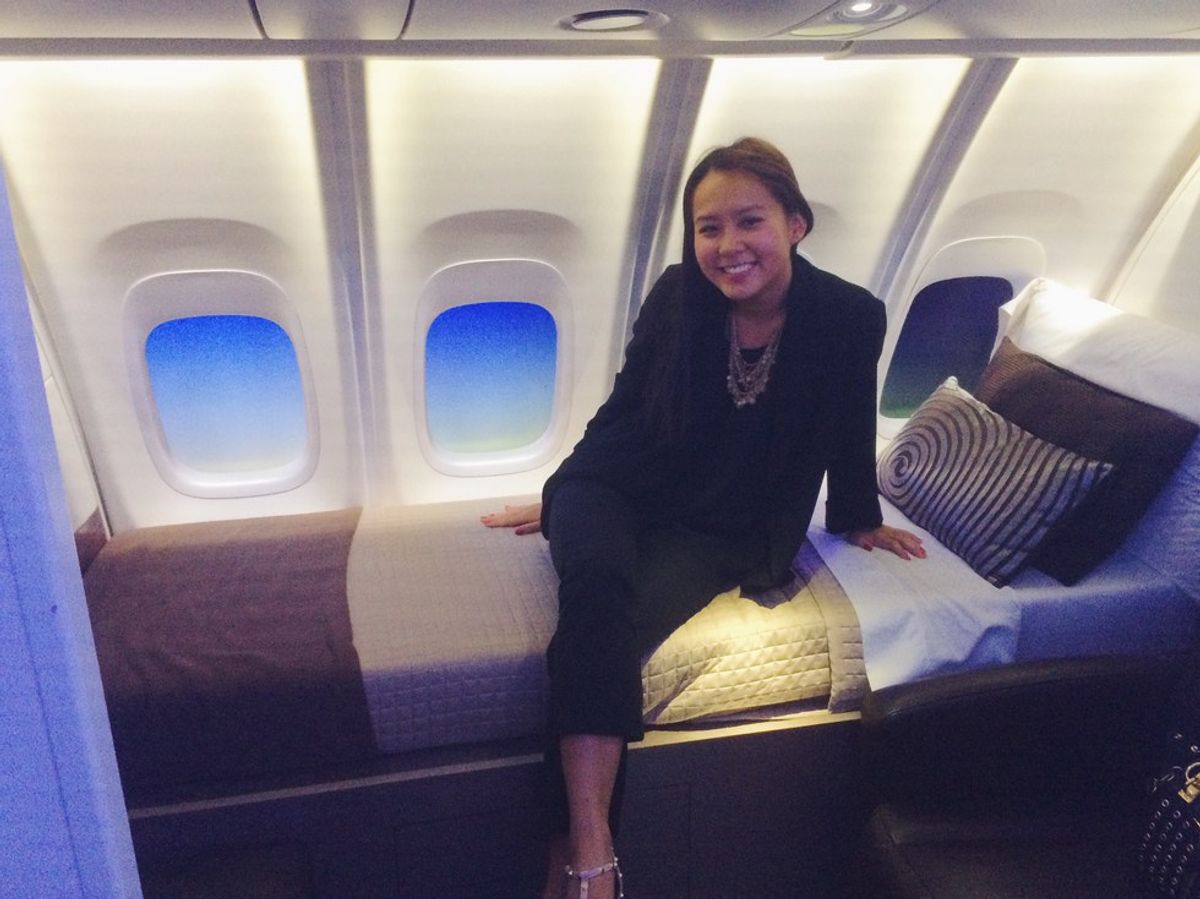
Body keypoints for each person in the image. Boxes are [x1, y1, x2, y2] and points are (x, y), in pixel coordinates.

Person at [482, 136, 925, 899]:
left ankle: (570, 860)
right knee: (594, 588)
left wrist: (859, 513)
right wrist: (561, 490)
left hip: (719, 528)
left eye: (749, 221)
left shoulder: (848, 316)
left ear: (795, 223)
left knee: (605, 630)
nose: (726, 245)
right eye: (707, 227)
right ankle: (592, 853)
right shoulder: (675, 294)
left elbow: (852, 416)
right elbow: (623, 407)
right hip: (613, 486)